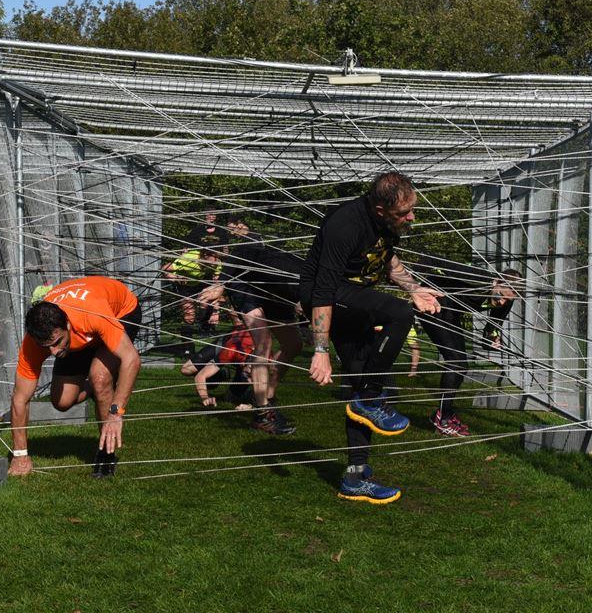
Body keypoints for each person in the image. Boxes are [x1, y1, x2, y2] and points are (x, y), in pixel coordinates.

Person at [300, 171, 442, 504]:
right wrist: (320, 349)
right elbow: (323, 290)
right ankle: (370, 398)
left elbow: (386, 259)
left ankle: (354, 477)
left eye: (412, 209)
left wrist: (413, 287)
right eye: (404, 213)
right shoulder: (344, 225)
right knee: (400, 313)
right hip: (326, 297)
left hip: (352, 300)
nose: (411, 217)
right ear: (380, 208)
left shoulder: (384, 223)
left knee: (361, 383)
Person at [8, 276, 142, 479]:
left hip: (121, 311)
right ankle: (96, 389)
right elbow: (20, 398)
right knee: (62, 402)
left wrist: (116, 413)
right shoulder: (34, 344)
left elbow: (132, 359)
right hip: (81, 335)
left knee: (100, 377)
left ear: (68, 326)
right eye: (46, 347)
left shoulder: (92, 313)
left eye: (56, 342)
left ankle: (106, 454)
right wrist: (20, 455)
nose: (53, 353)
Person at [214, 217, 304, 435]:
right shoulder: (253, 241)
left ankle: (267, 397)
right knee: (264, 342)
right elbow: (237, 256)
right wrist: (221, 284)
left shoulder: (312, 278)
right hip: (245, 285)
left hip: (275, 291)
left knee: (294, 344)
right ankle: (263, 413)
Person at [412, 260, 521, 436]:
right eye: (500, 295)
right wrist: (411, 282)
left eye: (507, 300)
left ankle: (444, 414)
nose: (501, 302)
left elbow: (492, 328)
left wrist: (493, 339)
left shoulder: (506, 302)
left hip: (451, 314)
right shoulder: (478, 278)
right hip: (432, 305)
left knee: (462, 366)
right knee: (454, 363)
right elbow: (439, 262)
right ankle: (443, 419)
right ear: (496, 282)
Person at [179, 322, 256, 409]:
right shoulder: (230, 351)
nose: (250, 381)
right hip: (229, 342)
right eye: (249, 375)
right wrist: (205, 398)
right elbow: (200, 376)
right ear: (243, 364)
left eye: (256, 376)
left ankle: (249, 394)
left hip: (247, 351)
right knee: (186, 369)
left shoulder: (265, 358)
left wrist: (251, 405)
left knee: (229, 398)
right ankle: (221, 373)